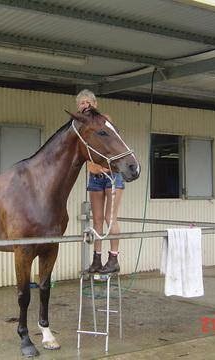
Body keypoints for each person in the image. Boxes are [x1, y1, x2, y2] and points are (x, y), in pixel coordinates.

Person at [76, 89, 124, 274]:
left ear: (95, 104)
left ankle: (113, 258)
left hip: (112, 175)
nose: (85, 105)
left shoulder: (105, 120)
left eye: (88, 102)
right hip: (95, 177)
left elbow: (111, 143)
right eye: (81, 103)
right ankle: (97, 259)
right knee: (96, 220)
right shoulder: (80, 128)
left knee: (109, 218)